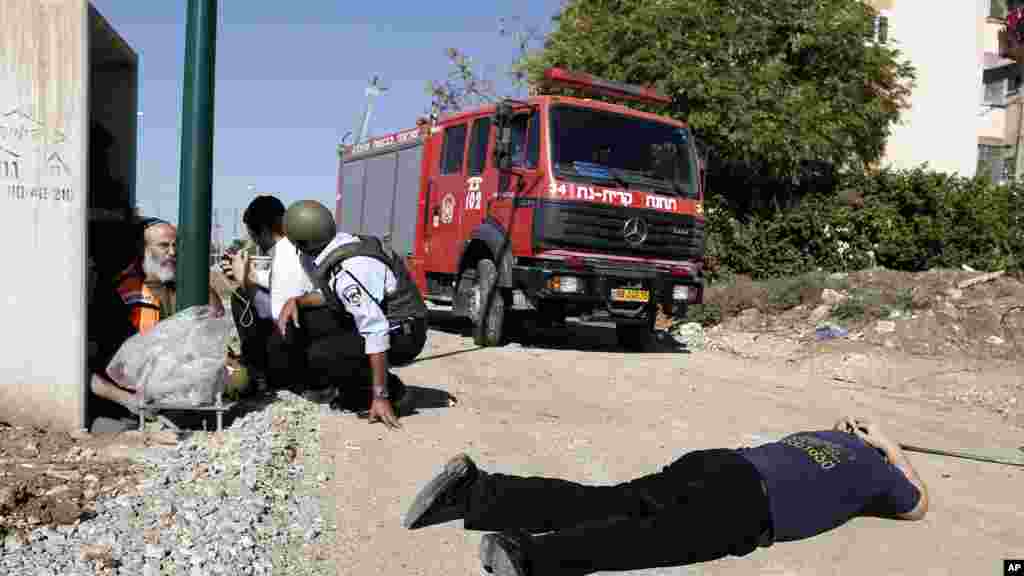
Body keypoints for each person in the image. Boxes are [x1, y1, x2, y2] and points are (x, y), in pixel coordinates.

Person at [402, 417, 929, 576]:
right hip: (749, 506)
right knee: (642, 542)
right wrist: (894, 448)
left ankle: (477, 494)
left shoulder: (828, 438)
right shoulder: (880, 475)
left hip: (720, 462)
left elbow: (830, 427)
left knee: (605, 502)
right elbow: (919, 503)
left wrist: (860, 433)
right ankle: (529, 556)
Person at [278, 200, 429, 429]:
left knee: (323, 353)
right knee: (303, 322)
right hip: (390, 322)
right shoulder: (337, 245)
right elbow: (332, 294)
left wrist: (381, 395)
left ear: (302, 242)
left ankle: (393, 393)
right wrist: (298, 300)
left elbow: (375, 330)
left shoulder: (348, 268)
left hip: (405, 332)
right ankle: (339, 385)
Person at [89, 216, 224, 414]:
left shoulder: (188, 286)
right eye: (163, 246)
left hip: (183, 397)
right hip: (132, 405)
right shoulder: (118, 295)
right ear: (143, 249)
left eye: (176, 246)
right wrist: (128, 400)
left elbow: (215, 330)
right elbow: (93, 368)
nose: (173, 252)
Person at [224, 195, 317, 394]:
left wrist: (245, 282)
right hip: (312, 335)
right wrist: (248, 274)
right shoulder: (296, 248)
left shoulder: (285, 255)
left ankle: (260, 373)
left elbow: (274, 314)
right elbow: (277, 283)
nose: (253, 240)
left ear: (263, 230)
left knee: (240, 297)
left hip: (296, 347)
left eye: (252, 235)